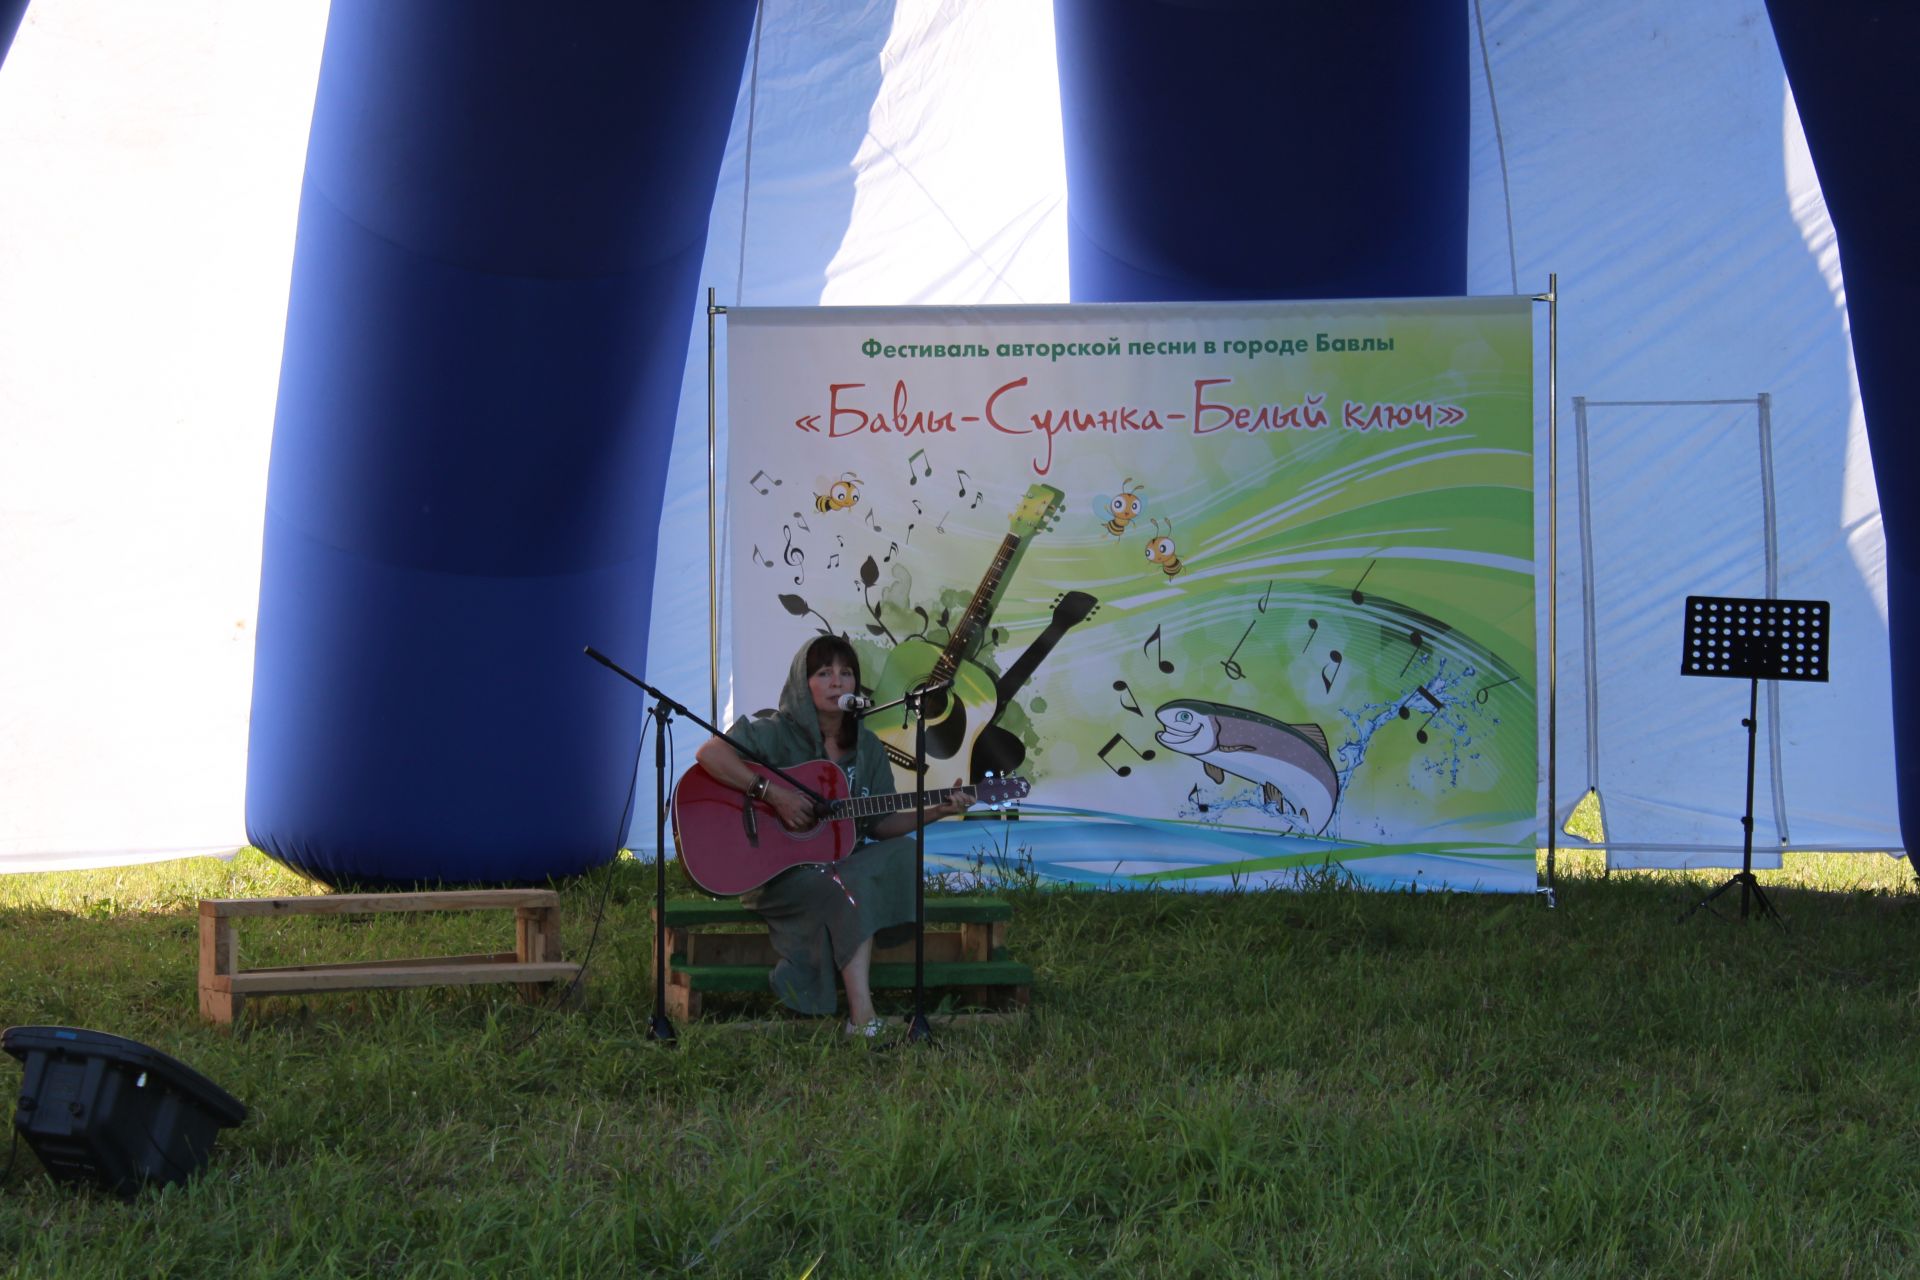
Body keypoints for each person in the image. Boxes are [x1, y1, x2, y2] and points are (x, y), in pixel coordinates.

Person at [693, 635, 969, 1036]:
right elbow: (710, 754)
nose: (837, 682)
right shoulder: (774, 732)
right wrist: (773, 795)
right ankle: (863, 1015)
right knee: (846, 885)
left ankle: (860, 1017)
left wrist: (937, 810)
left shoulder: (869, 748)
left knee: (901, 854)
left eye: (846, 673)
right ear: (802, 685)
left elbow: (881, 823)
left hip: (841, 868)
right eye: (824, 673)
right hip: (781, 873)